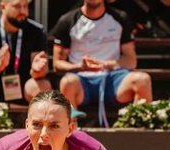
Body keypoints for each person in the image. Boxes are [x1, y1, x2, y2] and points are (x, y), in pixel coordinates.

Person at [52, 0, 152, 128]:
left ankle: (140, 134)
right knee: (67, 82)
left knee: (142, 80)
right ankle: (71, 133)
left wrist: (104, 64)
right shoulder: (67, 20)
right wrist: (80, 66)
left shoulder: (120, 18)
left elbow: (131, 61)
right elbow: (57, 63)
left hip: (113, 79)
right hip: (81, 81)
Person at [0, 0, 51, 104]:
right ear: (3, 7)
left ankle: (42, 120)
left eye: (25, 6)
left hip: (25, 85)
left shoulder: (37, 31)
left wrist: (37, 71)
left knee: (42, 86)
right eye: (17, 6)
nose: (23, 11)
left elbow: (41, 67)